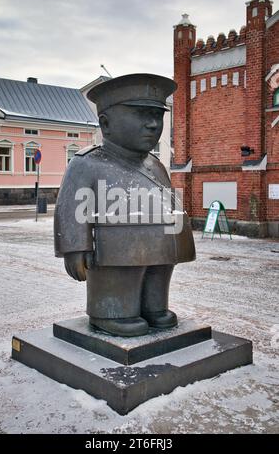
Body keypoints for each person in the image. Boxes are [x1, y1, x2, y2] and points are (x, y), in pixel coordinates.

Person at [54, 73, 195, 337]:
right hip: (114, 252)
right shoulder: (87, 163)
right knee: (122, 277)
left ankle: (154, 307)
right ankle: (112, 312)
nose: (153, 125)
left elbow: (169, 202)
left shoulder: (155, 165)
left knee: (157, 276)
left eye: (157, 116)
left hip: (161, 248)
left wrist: (179, 240)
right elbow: (71, 209)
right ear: (105, 124)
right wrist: (75, 247)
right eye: (142, 115)